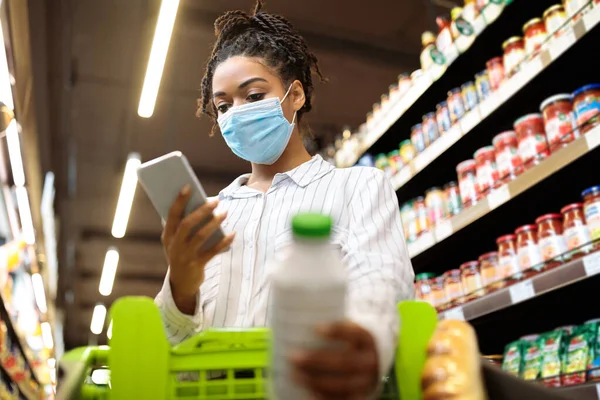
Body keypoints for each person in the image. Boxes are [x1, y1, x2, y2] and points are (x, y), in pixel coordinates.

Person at [154, 1, 415, 397]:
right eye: (223, 106)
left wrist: (359, 340)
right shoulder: (209, 217)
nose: (235, 114)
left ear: (294, 95)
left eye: (254, 95)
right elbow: (168, 345)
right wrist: (181, 288)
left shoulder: (358, 188)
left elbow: (383, 286)